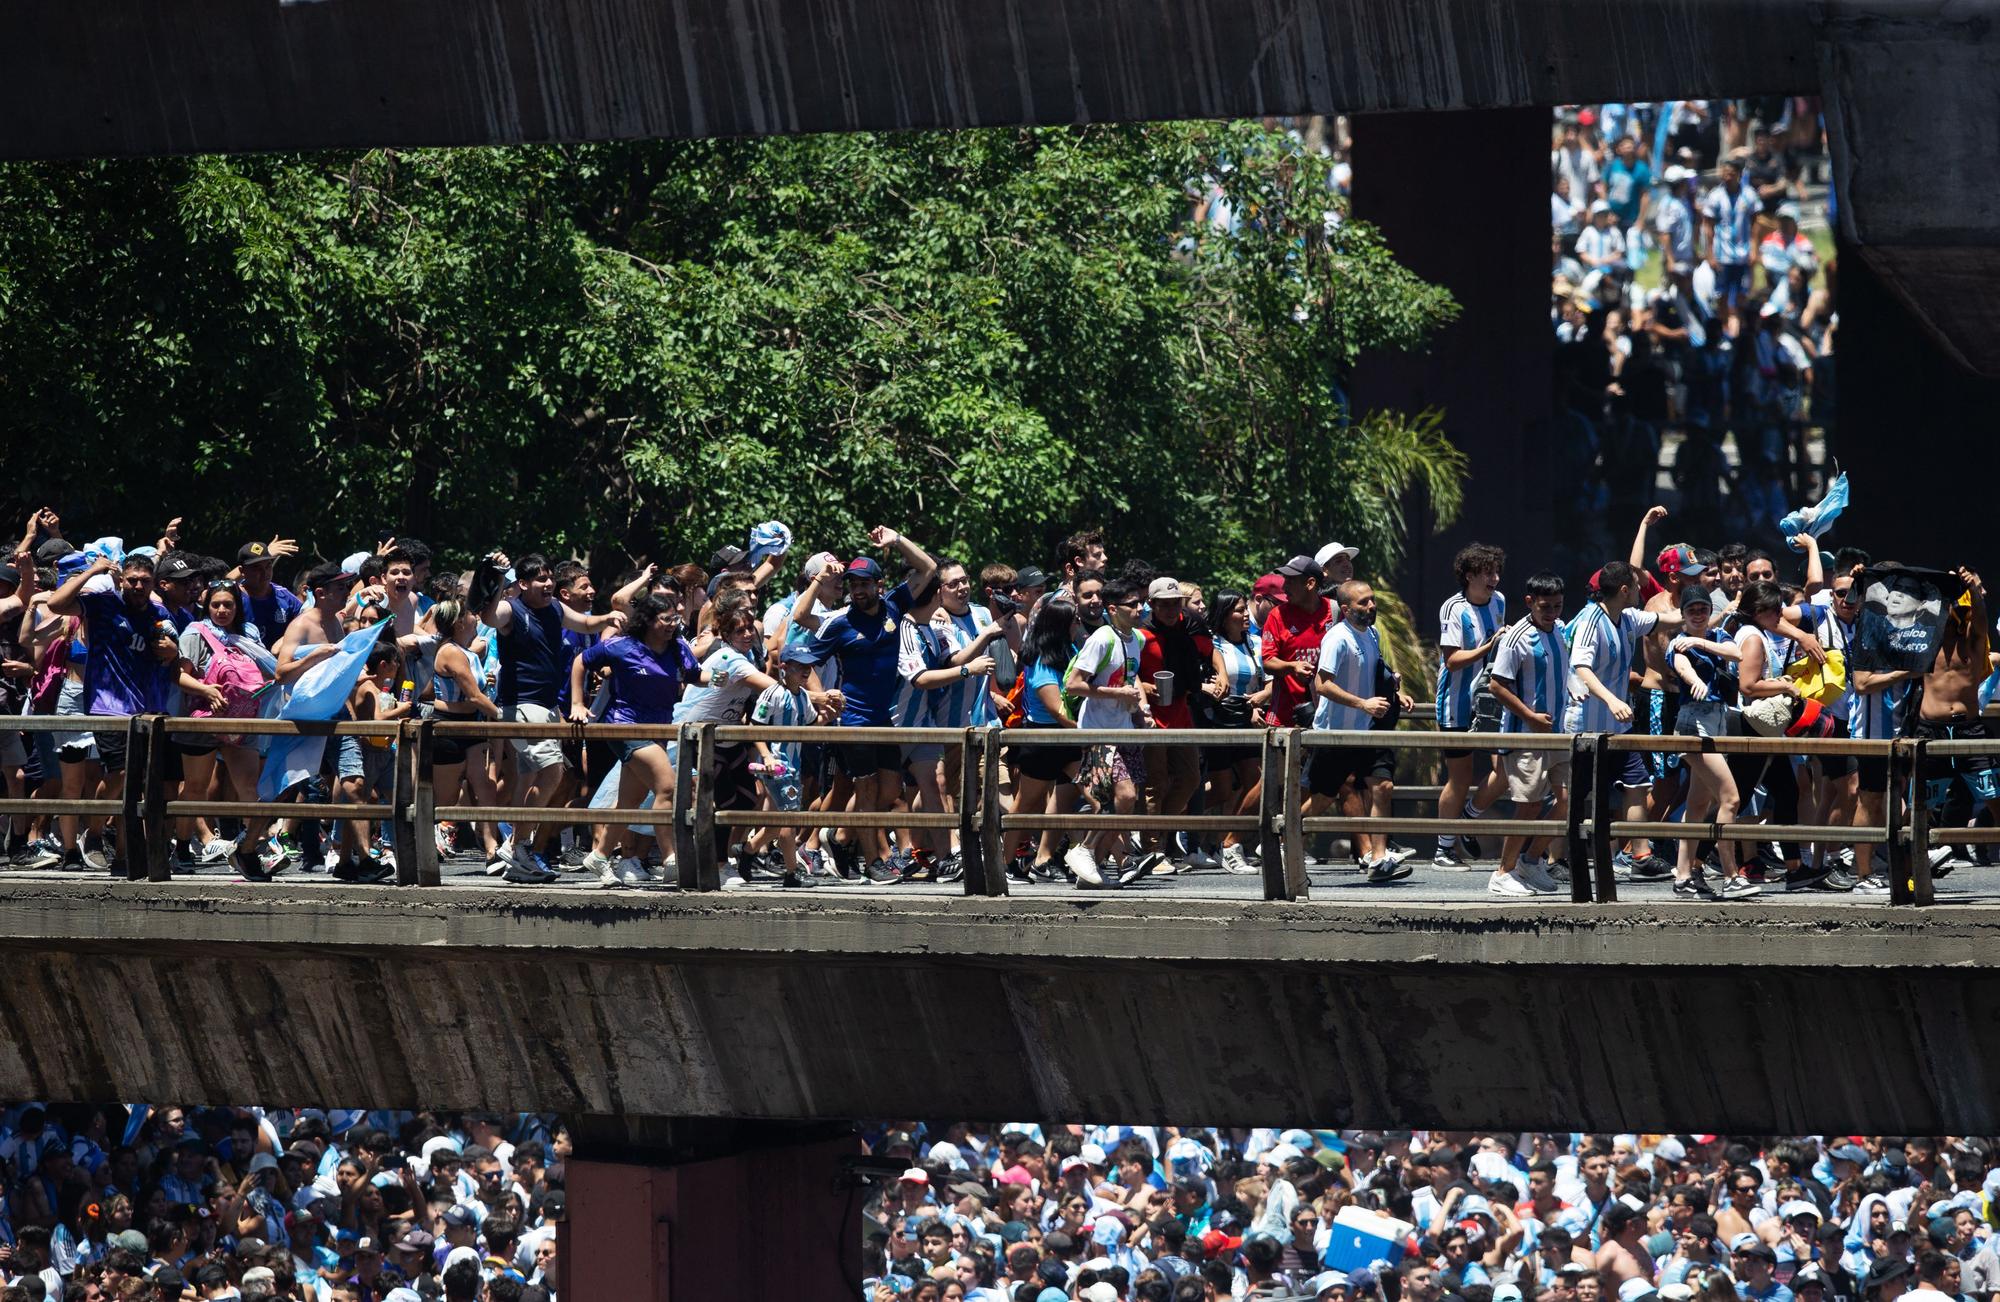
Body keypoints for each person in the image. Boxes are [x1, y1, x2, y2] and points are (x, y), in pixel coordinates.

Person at [792, 526, 937, 882]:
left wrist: (898, 540)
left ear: (878, 585)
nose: (858, 591)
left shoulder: (893, 606)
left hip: (882, 718)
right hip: (853, 719)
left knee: (891, 792)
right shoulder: (839, 622)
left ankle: (838, 837)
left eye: (864, 584)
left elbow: (929, 568)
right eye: (853, 585)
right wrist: (817, 695)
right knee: (866, 789)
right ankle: (874, 863)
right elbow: (798, 643)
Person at [476, 551, 625, 882]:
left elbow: (584, 622)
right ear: (524, 584)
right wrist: (495, 577)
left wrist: (605, 619)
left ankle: (515, 848)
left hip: (546, 707)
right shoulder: (511, 610)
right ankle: (517, 847)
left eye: (549, 578)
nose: (547, 583)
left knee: (534, 777)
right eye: (540, 579)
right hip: (520, 705)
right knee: (553, 772)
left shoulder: (556, 608)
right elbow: (488, 616)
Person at [572, 589, 698, 889]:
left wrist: (721, 679)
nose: (672, 624)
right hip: (625, 726)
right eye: (666, 619)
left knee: (630, 800)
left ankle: (600, 856)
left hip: (659, 729)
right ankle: (671, 859)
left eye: (675, 619)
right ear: (649, 620)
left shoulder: (676, 647)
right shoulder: (621, 647)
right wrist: (577, 704)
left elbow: (695, 675)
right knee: (667, 786)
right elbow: (581, 662)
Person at [1306, 580, 1412, 885]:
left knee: (1383, 787)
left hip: (1367, 731)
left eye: (1372, 600)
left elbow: (1376, 669)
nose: (1371, 606)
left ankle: (1379, 860)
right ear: (1347, 608)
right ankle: (1284, 836)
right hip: (1337, 733)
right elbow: (1321, 684)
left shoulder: (1373, 634)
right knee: (1322, 799)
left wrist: (1395, 691)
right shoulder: (1337, 638)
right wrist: (1362, 703)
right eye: (1363, 602)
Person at [1064, 578, 1157, 889]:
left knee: (1126, 801)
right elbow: (1074, 684)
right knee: (1117, 796)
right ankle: (1084, 849)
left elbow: (1134, 678)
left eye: (1140, 603)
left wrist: (1142, 710)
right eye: (1133, 605)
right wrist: (1116, 694)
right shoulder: (1102, 639)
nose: (1140, 609)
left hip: (1125, 727)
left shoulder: (1137, 640)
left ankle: (1094, 866)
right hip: (1098, 730)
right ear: (1113, 609)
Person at [1486, 571, 1570, 896]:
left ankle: (1530, 862)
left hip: (1558, 734)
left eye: (1558, 606)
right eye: (1545, 607)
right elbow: (1496, 684)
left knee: (1566, 801)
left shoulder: (1560, 630)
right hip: (1525, 736)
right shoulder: (1517, 637)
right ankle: (1503, 872)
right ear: (1530, 602)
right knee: (1529, 805)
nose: (1552, 613)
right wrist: (1530, 715)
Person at [1666, 585, 1750, 899]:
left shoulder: (1713, 638)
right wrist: (1694, 680)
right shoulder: (1677, 641)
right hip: (1693, 722)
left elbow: (1737, 653)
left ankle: (1684, 876)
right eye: (1692, 610)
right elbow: (1681, 664)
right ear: (1683, 614)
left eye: (1703, 609)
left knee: (1698, 804)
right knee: (1730, 799)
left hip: (1717, 720)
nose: (1699, 615)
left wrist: (1701, 639)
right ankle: (1731, 876)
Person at [1434, 542, 1508, 869]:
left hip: (1490, 703)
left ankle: (1469, 815)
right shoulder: (1453, 608)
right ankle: (1443, 849)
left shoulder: (1500, 602)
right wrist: (1489, 646)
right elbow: (1451, 661)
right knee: (1460, 777)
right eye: (1486, 573)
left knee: (1506, 770)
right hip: (1456, 703)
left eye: (1496, 572)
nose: (1493, 578)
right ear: (1468, 576)